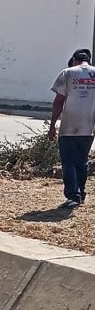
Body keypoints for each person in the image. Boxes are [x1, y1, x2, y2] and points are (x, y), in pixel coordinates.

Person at [49, 48, 95, 208]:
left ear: (74, 60)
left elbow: (59, 101)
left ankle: (73, 196)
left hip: (69, 125)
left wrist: (52, 125)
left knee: (68, 161)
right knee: (81, 162)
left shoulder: (67, 73)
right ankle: (81, 194)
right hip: (88, 125)